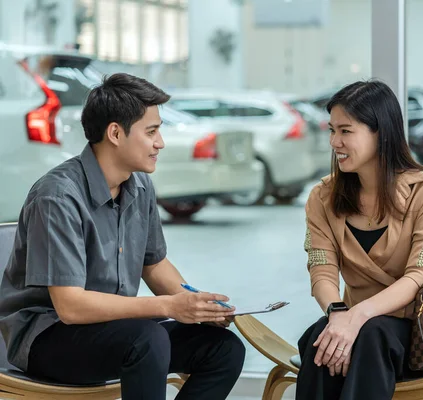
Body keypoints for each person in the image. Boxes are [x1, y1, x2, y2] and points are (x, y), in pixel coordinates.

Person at [0, 73, 245, 400]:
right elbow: (70, 307)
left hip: (119, 333)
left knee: (223, 349)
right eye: (152, 131)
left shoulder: (140, 187)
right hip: (48, 339)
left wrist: (198, 305)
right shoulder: (57, 197)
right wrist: (169, 306)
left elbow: (154, 265)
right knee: (147, 339)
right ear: (115, 133)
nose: (161, 143)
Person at [296, 80, 423, 400]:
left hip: (413, 330)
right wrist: (338, 313)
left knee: (370, 335)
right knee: (322, 336)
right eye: (331, 130)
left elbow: (421, 273)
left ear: (381, 133)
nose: (334, 141)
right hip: (350, 319)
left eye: (345, 131)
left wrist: (357, 316)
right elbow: (321, 268)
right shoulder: (322, 196)